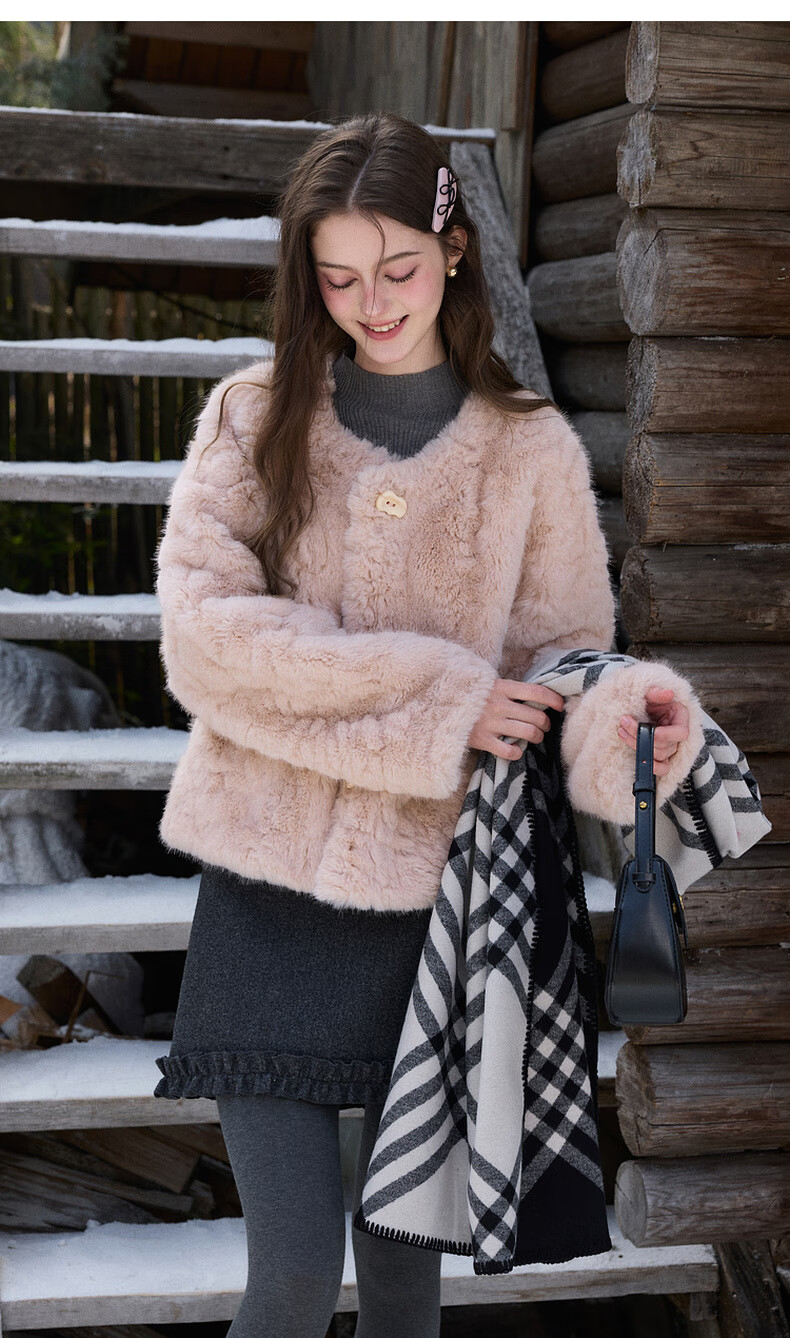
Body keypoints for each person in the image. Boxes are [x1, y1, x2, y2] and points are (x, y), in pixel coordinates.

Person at [152, 111, 699, 1338]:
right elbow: (206, 638)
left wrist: (626, 720)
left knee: (405, 1295)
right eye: (338, 278)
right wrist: (442, 701)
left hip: (440, 914)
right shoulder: (252, 416)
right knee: (293, 1280)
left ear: (452, 250)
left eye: (396, 268)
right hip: (265, 900)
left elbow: (559, 659)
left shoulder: (528, 450)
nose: (372, 303)